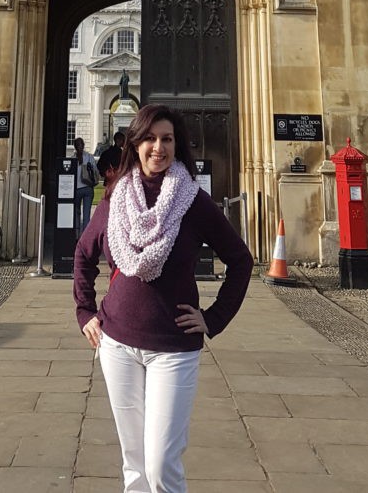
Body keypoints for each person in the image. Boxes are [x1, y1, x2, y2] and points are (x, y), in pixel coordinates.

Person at [73, 104, 253, 493]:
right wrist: (85, 310)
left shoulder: (193, 202)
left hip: (173, 348)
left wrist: (214, 318)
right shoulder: (115, 198)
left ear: (178, 145)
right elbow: (84, 255)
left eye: (167, 139)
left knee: (160, 465)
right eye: (150, 138)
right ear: (135, 144)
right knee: (133, 467)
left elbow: (241, 260)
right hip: (117, 342)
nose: (159, 147)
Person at [73, 136, 98, 236]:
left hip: (77, 189)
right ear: (83, 146)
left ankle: (76, 234)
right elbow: (95, 171)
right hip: (88, 187)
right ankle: (85, 236)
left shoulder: (72, 159)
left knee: (76, 213)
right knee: (86, 214)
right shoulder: (89, 157)